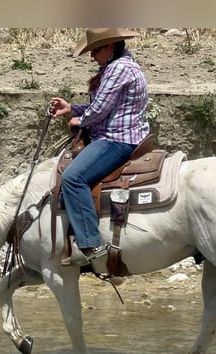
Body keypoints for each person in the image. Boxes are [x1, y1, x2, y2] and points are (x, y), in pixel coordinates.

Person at [48, 28, 150, 267]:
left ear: (110, 47)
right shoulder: (118, 65)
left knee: (73, 177)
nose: (92, 56)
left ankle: (90, 244)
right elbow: (106, 106)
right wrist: (72, 108)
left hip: (118, 139)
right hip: (118, 134)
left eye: (95, 50)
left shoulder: (119, 68)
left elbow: (100, 110)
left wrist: (79, 121)